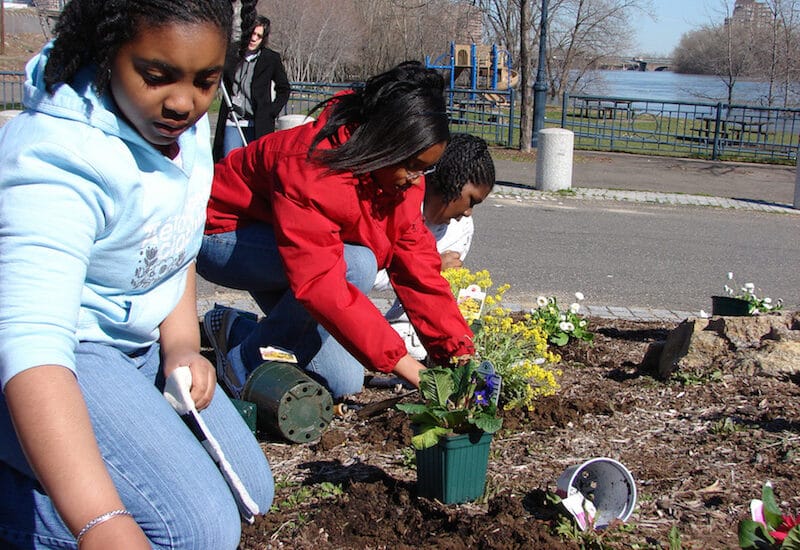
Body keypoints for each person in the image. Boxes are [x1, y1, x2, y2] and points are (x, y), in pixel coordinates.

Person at [0, 1, 273, 548]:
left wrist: (181, 345)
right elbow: (33, 347)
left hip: (137, 345)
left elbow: (173, 248)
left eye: (206, 81)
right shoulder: (57, 158)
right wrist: (100, 520)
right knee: (194, 534)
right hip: (62, 357)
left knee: (249, 492)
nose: (182, 102)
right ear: (107, 54)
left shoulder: (179, 128)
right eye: (156, 76)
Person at [198, 61, 475, 400]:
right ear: (385, 144)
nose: (418, 179)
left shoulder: (401, 179)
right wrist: (412, 369)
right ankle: (242, 362)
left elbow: (418, 269)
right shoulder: (312, 163)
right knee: (356, 264)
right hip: (224, 236)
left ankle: (231, 327)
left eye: (425, 168)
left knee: (343, 382)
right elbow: (319, 282)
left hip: (295, 253)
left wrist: (457, 351)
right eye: (412, 166)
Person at [373, 133, 496, 360]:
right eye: (470, 200)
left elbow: (431, 296)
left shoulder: (462, 229)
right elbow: (363, 274)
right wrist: (432, 266)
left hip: (409, 321)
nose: (468, 212)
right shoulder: (397, 203)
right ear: (452, 181)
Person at [212, 14, 290, 161]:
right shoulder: (231, 53)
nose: (254, 39)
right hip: (232, 120)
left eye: (259, 36)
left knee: (253, 163)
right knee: (229, 162)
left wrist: (271, 112)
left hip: (257, 123)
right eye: (252, 33)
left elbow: (284, 89)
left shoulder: (271, 59)